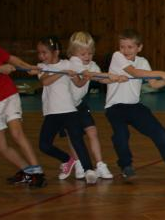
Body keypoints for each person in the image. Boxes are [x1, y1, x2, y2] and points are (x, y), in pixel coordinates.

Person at [104, 29, 165, 181]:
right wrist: (161, 72)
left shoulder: (143, 61)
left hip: (134, 106)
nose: (125, 50)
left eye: (130, 47)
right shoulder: (117, 56)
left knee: (160, 132)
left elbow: (154, 84)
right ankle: (126, 166)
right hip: (115, 107)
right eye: (122, 46)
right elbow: (135, 73)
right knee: (121, 135)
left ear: (139, 47)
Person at [35, 36, 98, 184]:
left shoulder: (68, 64)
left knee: (77, 140)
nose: (41, 56)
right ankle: (67, 160)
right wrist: (62, 72)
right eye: (39, 53)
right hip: (51, 113)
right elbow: (45, 81)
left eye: (44, 52)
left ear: (56, 52)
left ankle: (89, 170)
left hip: (69, 110)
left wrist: (85, 77)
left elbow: (78, 83)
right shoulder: (42, 67)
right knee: (44, 145)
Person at [66, 31, 119, 180]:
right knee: (74, 137)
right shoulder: (73, 62)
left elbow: (101, 79)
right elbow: (88, 74)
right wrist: (108, 75)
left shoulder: (92, 64)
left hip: (79, 104)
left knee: (92, 132)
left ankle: (100, 164)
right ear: (74, 52)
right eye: (83, 54)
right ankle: (79, 164)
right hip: (66, 107)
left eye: (90, 53)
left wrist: (115, 79)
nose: (87, 57)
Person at [0, 46, 45, 188]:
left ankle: (37, 172)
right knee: (2, 147)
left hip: (8, 96)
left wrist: (28, 67)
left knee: (16, 133)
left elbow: (12, 59)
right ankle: (27, 171)